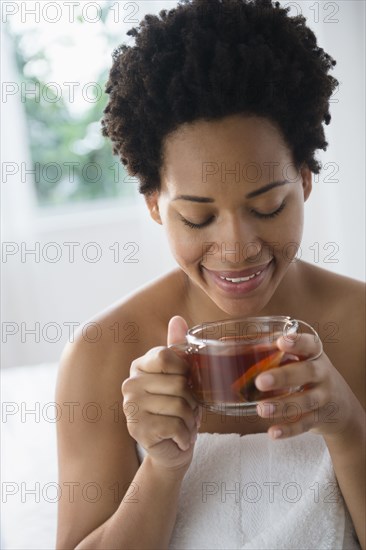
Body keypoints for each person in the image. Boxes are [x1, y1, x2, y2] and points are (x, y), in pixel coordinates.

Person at [55, 0, 365, 548]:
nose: (237, 248)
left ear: (306, 181)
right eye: (197, 217)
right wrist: (161, 468)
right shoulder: (100, 354)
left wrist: (346, 425)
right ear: (154, 205)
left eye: (267, 207)